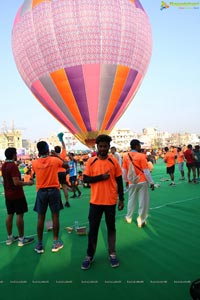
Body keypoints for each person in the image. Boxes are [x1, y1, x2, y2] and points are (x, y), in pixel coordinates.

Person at [81, 134, 124, 270]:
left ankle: (112, 254)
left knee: (111, 228)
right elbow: (85, 179)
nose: (103, 148)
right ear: (97, 147)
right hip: (95, 202)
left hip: (110, 201)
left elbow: (119, 181)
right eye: (101, 146)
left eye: (106, 146)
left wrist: (121, 198)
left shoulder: (114, 161)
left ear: (109, 147)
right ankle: (89, 256)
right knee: (93, 229)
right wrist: (101, 177)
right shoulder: (91, 161)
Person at [31, 141, 69, 254]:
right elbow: (66, 165)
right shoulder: (55, 160)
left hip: (41, 192)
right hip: (54, 191)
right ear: (48, 150)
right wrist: (56, 155)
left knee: (40, 218)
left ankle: (39, 244)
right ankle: (56, 242)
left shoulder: (34, 162)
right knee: (55, 217)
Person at [1, 147, 34, 246]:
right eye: (16, 153)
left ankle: (10, 238)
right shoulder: (13, 166)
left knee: (10, 214)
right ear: (13, 155)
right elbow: (16, 182)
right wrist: (28, 183)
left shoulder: (4, 165)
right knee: (19, 215)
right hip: (17, 195)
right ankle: (21, 239)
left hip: (8, 195)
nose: (17, 155)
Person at [122, 139, 154, 228]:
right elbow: (146, 171)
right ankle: (141, 220)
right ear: (136, 146)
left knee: (131, 200)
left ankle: (129, 217)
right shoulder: (141, 156)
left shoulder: (125, 156)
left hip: (131, 181)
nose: (140, 147)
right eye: (139, 145)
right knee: (142, 201)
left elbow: (124, 171)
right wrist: (151, 182)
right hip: (142, 181)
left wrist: (126, 181)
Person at [53, 132, 70, 207]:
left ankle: (60, 203)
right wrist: (61, 140)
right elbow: (64, 147)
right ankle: (67, 201)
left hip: (56, 173)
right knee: (64, 188)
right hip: (63, 172)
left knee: (57, 189)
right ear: (60, 150)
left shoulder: (53, 157)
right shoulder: (63, 154)